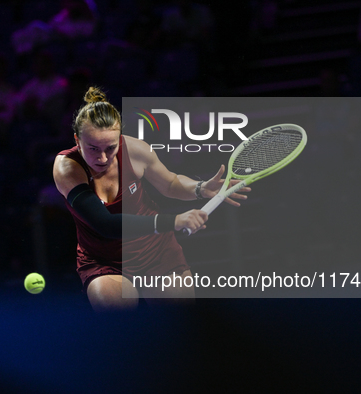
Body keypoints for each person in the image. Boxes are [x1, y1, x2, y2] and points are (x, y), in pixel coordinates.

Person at [52, 87, 250, 311]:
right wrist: (172, 221)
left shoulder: (136, 150)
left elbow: (170, 184)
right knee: (117, 315)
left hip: (156, 252)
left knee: (180, 323)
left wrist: (201, 188)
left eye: (111, 147)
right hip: (104, 260)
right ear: (77, 140)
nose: (103, 157)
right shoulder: (68, 168)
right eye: (93, 148)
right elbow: (104, 224)